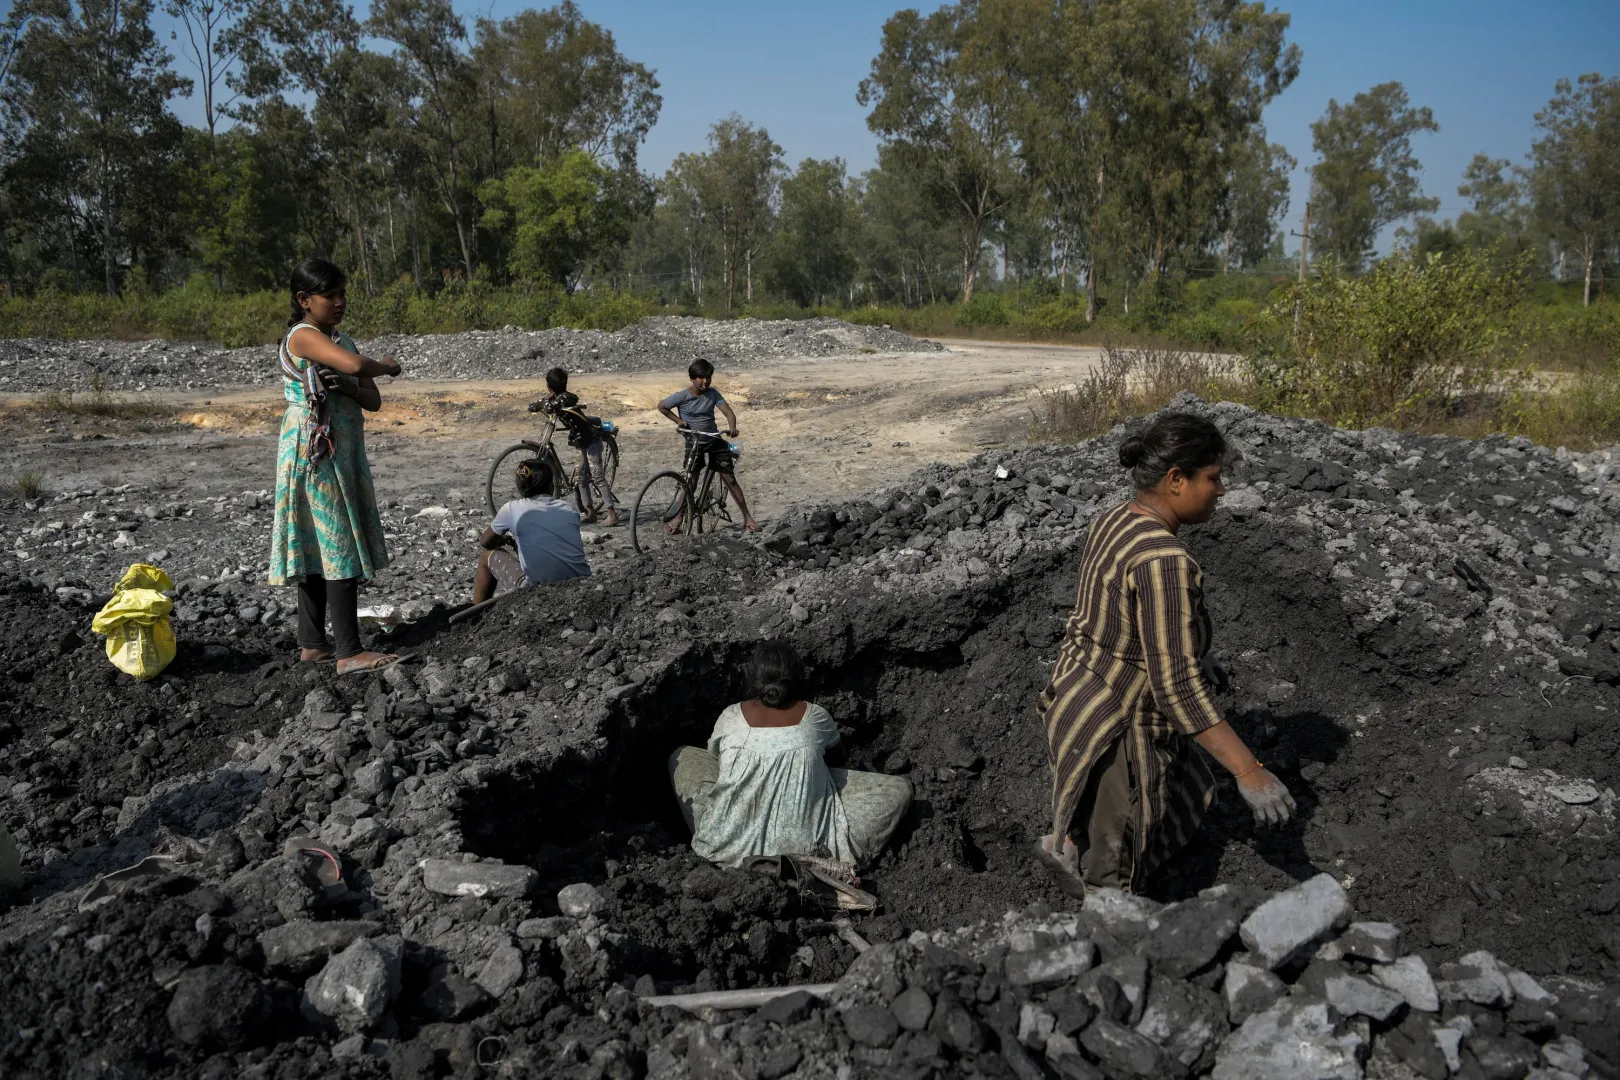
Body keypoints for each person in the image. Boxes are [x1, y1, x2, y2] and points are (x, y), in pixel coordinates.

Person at [1036, 412, 1295, 898]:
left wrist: (1199, 654)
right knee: (1118, 866)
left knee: (1106, 801)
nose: (1221, 491)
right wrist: (1249, 771)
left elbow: (1127, 619)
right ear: (1177, 480)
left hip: (1076, 694)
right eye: (1213, 478)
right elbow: (1174, 688)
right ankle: (1106, 929)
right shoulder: (1165, 560)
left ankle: (1065, 842)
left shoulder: (1118, 518)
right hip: (1121, 722)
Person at [268, 258, 403, 676]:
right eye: (331, 296)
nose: (340, 302)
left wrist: (352, 385)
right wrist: (387, 364)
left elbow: (372, 398)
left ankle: (312, 644)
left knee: (318, 544)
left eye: (343, 294)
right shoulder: (304, 336)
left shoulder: (339, 338)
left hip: (340, 452)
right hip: (316, 453)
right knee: (336, 539)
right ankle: (348, 652)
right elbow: (360, 368)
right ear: (304, 300)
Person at [668, 641, 911, 869]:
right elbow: (839, 757)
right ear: (797, 679)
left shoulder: (730, 716)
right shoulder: (815, 716)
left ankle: (728, 848)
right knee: (898, 789)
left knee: (683, 755)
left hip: (726, 850)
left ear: (753, 678)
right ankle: (825, 861)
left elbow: (717, 759)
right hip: (803, 848)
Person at [657, 357, 759, 532]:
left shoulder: (713, 394)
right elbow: (661, 406)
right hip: (694, 441)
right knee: (690, 481)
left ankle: (747, 518)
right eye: (700, 378)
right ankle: (679, 517)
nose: (705, 381)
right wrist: (679, 421)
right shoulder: (682, 396)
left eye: (708, 377)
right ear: (692, 378)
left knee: (730, 479)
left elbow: (729, 413)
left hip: (713, 438)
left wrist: (732, 427)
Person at [473, 457, 591, 604]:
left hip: (540, 591)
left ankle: (477, 612)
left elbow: (485, 541)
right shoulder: (569, 508)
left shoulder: (511, 508)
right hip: (583, 585)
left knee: (486, 556)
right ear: (551, 486)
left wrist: (502, 540)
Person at [529, 367, 618, 526]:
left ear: (548, 386)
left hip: (591, 440)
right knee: (581, 478)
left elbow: (549, 407)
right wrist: (541, 402)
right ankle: (590, 512)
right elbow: (535, 406)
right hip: (580, 441)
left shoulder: (566, 398)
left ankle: (612, 514)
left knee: (597, 476)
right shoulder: (557, 398)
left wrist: (544, 400)